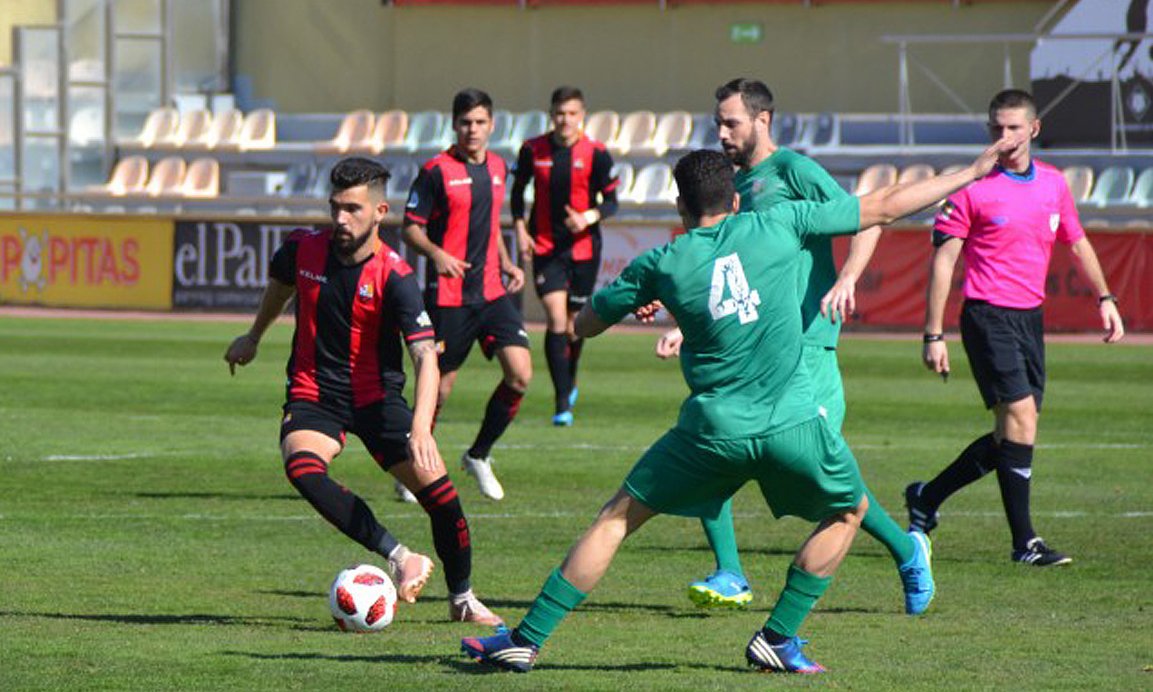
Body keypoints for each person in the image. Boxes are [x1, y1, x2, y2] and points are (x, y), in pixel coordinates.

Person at [461, 136, 1016, 674]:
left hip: (711, 430)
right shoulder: (782, 222)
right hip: (793, 424)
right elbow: (886, 206)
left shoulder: (663, 263)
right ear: (735, 199)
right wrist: (970, 172)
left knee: (616, 520)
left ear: (679, 206)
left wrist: (642, 303)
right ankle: (778, 636)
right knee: (848, 511)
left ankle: (526, 640)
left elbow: (581, 326)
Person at [656, 78, 931, 615]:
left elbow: (868, 215)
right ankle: (731, 572)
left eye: (730, 121)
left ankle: (907, 549)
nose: (721, 131)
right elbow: (729, 270)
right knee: (711, 441)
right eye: (718, 121)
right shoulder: (732, 189)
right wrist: (688, 325)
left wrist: (848, 275)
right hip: (757, 345)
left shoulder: (794, 172)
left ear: (762, 120)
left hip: (808, 347)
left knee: (829, 481)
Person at [223, 157, 502, 626]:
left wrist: (421, 429)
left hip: (377, 400)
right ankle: (398, 556)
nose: (340, 219)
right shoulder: (302, 250)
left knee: (443, 498)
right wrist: (253, 337)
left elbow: (425, 357)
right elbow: (279, 287)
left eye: (352, 209)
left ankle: (463, 600)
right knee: (302, 467)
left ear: (380, 212)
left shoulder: (395, 276)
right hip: (314, 394)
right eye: (335, 207)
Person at [908, 88, 1125, 566]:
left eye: (1011, 128)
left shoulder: (1053, 184)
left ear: (1033, 129)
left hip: (1030, 319)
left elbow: (1078, 241)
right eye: (995, 129)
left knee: (1011, 435)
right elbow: (943, 264)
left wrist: (1106, 298)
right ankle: (1024, 543)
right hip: (986, 315)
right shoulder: (970, 187)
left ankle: (926, 497)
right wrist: (933, 333)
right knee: (1022, 417)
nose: (1002, 137)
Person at [402, 88, 532, 502]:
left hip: (492, 292)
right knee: (437, 390)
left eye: (479, 123)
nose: (472, 130)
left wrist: (508, 262)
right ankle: (413, 467)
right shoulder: (436, 170)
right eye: (465, 123)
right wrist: (437, 254)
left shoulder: (497, 167)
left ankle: (478, 455)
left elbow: (490, 225)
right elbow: (410, 227)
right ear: (454, 125)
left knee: (521, 374)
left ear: (491, 125)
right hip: (449, 296)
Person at [511, 86, 620, 426]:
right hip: (545, 247)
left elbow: (612, 201)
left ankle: (570, 379)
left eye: (572, 113)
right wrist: (520, 229)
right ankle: (562, 402)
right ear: (551, 115)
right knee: (557, 320)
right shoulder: (533, 149)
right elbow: (517, 193)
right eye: (560, 113)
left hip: (584, 248)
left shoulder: (597, 153)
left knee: (575, 326)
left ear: (582, 115)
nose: (565, 120)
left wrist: (587, 217)